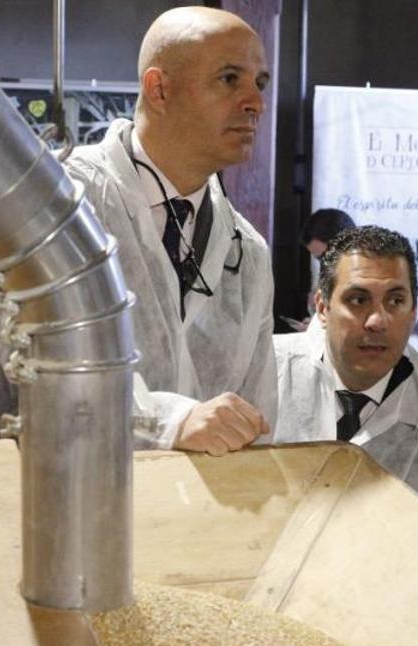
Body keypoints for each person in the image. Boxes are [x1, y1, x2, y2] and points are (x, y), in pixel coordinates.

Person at [56, 6, 276, 456]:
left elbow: (255, 417)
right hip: (59, 490)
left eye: (260, 83)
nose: (255, 102)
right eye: (229, 79)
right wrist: (168, 423)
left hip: (196, 499)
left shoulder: (247, 252)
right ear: (159, 89)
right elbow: (21, 377)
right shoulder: (60, 207)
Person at [274, 225, 418, 522]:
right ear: (322, 307)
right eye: (358, 300)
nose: (377, 321)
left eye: (395, 301)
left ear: (413, 312)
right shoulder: (267, 370)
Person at [282, 208, 356, 331]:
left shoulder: (371, 276)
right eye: (319, 259)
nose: (325, 264)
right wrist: (315, 322)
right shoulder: (327, 275)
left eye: (325, 256)